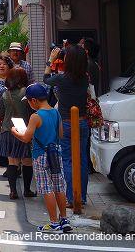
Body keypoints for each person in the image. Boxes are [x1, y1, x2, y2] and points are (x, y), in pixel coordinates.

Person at [11, 83, 72, 233]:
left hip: (40, 155)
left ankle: (53, 222)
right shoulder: (56, 112)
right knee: (58, 185)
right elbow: (61, 134)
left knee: (46, 188)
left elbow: (26, 138)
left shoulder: (35, 116)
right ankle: (64, 220)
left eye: (29, 101)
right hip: (56, 152)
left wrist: (15, 131)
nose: (29, 104)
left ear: (34, 100)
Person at [44, 45, 90, 207]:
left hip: (66, 123)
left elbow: (45, 80)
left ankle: (72, 198)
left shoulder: (61, 79)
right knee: (82, 159)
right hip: (83, 122)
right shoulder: (85, 78)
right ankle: (82, 197)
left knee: (68, 160)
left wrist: (51, 60)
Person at [0, 67, 35, 200]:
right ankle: (27, 190)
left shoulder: (5, 94)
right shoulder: (26, 93)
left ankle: (13, 191)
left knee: (12, 162)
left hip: (7, 130)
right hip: (24, 131)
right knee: (27, 162)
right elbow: (32, 111)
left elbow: (1, 113)